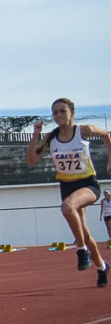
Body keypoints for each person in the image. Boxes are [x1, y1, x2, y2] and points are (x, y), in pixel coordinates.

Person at [27, 97, 111, 287]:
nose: (58, 115)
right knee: (85, 232)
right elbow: (32, 160)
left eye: (62, 111)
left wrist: (110, 160)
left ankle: (81, 250)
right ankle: (102, 267)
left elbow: (106, 134)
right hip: (67, 186)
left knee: (67, 207)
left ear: (72, 112)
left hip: (88, 184)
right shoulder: (51, 137)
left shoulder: (84, 131)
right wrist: (36, 135)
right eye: (55, 112)